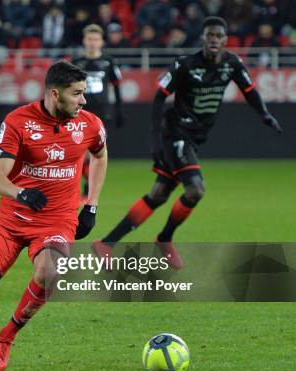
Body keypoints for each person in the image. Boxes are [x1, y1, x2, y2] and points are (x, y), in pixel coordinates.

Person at [0, 61, 108, 371]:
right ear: (55, 94)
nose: (84, 100)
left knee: (50, 271)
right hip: (12, 218)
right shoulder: (18, 121)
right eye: (77, 94)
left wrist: (91, 205)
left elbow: (100, 155)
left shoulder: (90, 124)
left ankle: (6, 337)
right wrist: (21, 193)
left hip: (57, 220)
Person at [94, 17, 282, 268]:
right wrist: (155, 137)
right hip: (176, 133)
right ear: (203, 38)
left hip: (196, 137)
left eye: (219, 36)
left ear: (225, 40)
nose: (214, 39)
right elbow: (160, 96)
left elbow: (249, 91)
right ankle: (164, 239)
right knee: (196, 189)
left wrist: (264, 114)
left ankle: (106, 244)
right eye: (210, 35)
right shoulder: (185, 64)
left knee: (159, 194)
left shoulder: (232, 63)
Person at [72, 24, 124, 202]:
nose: (93, 43)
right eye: (89, 39)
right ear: (84, 41)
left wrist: (119, 111)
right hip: (79, 113)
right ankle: (81, 190)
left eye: (96, 39)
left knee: (94, 153)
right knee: (81, 153)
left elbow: (117, 88)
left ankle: (85, 190)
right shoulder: (76, 63)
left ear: (101, 42)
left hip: (102, 114)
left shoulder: (109, 62)